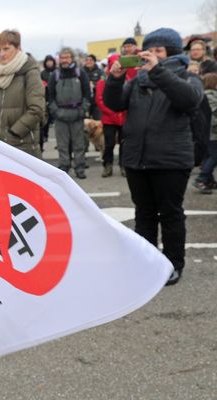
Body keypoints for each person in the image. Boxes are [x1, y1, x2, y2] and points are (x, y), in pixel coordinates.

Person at [104, 27, 204, 285]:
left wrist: (157, 70)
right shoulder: (137, 81)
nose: (153, 55)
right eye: (150, 50)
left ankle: (172, 263)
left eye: (159, 50)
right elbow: (114, 104)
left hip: (171, 160)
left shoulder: (187, 77)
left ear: (171, 52)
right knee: (144, 213)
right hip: (137, 158)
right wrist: (115, 79)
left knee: (170, 213)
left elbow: (189, 100)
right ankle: (146, 263)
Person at [0, 29, 45, 157]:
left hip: (23, 146)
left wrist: (13, 133)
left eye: (6, 49)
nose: (2, 54)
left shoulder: (30, 72)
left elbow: (37, 109)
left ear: (18, 48)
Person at [48, 47, 91, 178]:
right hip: (61, 115)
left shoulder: (81, 73)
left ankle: (79, 167)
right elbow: (50, 96)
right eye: (62, 57)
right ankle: (64, 167)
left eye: (67, 57)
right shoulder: (54, 75)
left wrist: (83, 110)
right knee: (62, 145)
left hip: (77, 114)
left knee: (79, 144)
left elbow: (87, 94)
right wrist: (55, 111)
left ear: (72, 58)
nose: (64, 60)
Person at [95, 54, 126, 177]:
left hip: (124, 118)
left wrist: (122, 112)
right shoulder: (103, 81)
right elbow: (100, 100)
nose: (118, 68)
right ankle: (107, 165)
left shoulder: (127, 79)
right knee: (109, 144)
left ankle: (123, 165)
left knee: (124, 143)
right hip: (109, 119)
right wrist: (112, 112)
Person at [192, 72, 217, 194]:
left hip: (211, 132)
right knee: (213, 156)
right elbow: (213, 114)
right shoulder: (210, 95)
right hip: (213, 132)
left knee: (209, 156)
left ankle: (209, 180)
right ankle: (201, 179)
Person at [40, 55, 57, 152]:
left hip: (55, 98)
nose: (49, 63)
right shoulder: (43, 73)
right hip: (45, 97)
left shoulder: (57, 72)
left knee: (55, 120)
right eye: (48, 61)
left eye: (51, 61)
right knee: (45, 119)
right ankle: (45, 135)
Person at [83, 54, 105, 120]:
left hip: (96, 100)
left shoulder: (100, 71)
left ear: (94, 61)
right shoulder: (81, 71)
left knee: (98, 121)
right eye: (86, 60)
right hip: (85, 100)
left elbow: (103, 82)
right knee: (85, 121)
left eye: (90, 60)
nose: (88, 62)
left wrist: (94, 85)